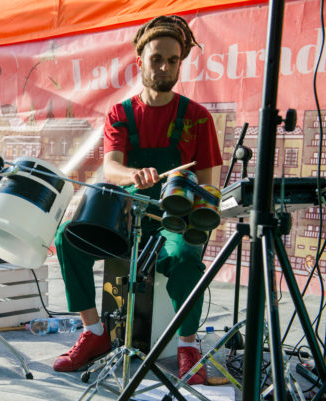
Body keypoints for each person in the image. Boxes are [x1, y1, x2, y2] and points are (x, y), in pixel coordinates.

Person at [52, 15, 223, 385]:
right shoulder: (121, 113)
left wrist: (196, 212)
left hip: (173, 222)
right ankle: (94, 332)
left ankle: (187, 347)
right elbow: (112, 167)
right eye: (156, 59)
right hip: (126, 222)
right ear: (140, 61)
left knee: (185, 258)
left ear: (180, 63)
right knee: (67, 238)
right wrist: (133, 176)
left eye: (172, 60)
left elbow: (209, 186)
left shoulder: (198, 118)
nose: (164, 67)